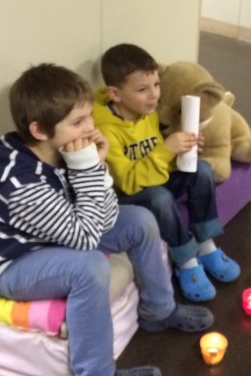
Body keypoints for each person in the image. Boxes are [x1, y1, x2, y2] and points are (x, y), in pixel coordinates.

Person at [0, 64, 214, 376]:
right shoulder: (21, 183)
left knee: (139, 219)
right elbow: (84, 239)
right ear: (39, 129)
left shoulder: (61, 148)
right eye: (78, 122)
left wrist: (95, 168)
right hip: (14, 261)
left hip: (58, 231)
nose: (90, 128)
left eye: (89, 117)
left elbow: (103, 215)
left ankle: (159, 310)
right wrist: (88, 167)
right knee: (89, 267)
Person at [93, 43, 240, 303]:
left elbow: (156, 153)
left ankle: (206, 246)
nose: (154, 95)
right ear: (115, 94)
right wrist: (166, 150)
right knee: (159, 197)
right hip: (128, 197)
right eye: (142, 89)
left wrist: (183, 148)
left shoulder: (147, 112)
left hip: (155, 179)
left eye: (157, 85)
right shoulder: (106, 129)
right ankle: (185, 260)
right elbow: (127, 182)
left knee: (201, 169)